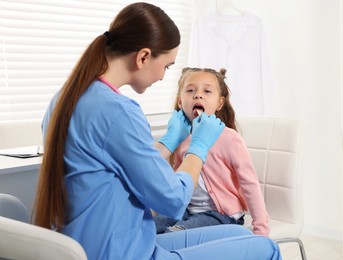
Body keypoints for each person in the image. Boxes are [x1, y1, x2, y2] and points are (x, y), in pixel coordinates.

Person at [33, 2, 281, 260]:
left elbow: (125, 167)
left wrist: (166, 144)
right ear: (143, 57)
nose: (163, 77)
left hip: (94, 244)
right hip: (124, 253)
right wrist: (199, 146)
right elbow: (173, 200)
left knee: (241, 235)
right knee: (267, 248)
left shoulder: (64, 99)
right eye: (166, 66)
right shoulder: (119, 111)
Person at [154, 67, 269, 236]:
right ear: (180, 102)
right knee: (147, 228)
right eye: (190, 90)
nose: (198, 95)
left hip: (222, 214)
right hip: (187, 210)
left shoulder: (230, 139)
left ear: (219, 103)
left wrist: (261, 229)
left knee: (176, 234)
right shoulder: (178, 138)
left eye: (207, 91)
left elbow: (249, 184)